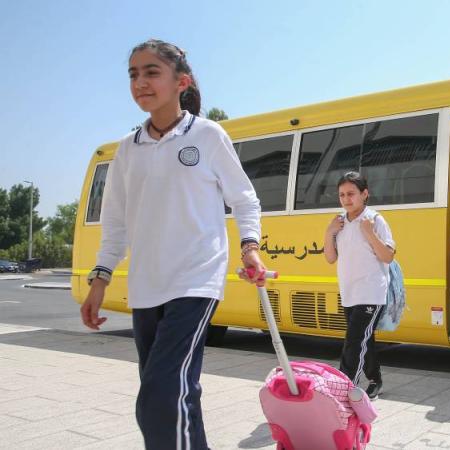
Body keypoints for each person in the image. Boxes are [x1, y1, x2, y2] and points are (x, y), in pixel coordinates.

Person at [80, 39, 266, 449]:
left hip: (196, 280)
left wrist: (249, 245)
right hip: (146, 286)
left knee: (159, 397)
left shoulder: (207, 135)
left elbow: (244, 197)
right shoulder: (127, 149)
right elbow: (114, 223)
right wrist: (100, 278)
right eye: (133, 74)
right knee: (177, 391)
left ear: (180, 82)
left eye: (151, 72)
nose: (140, 82)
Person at [324, 172, 396, 400]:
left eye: (351, 194)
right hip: (349, 291)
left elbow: (388, 256)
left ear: (365, 194)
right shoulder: (339, 221)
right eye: (342, 195)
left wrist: (369, 232)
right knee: (364, 338)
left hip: (371, 291)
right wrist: (329, 232)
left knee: (354, 339)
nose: (346, 199)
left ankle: (343, 389)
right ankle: (375, 380)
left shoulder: (375, 219)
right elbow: (330, 258)